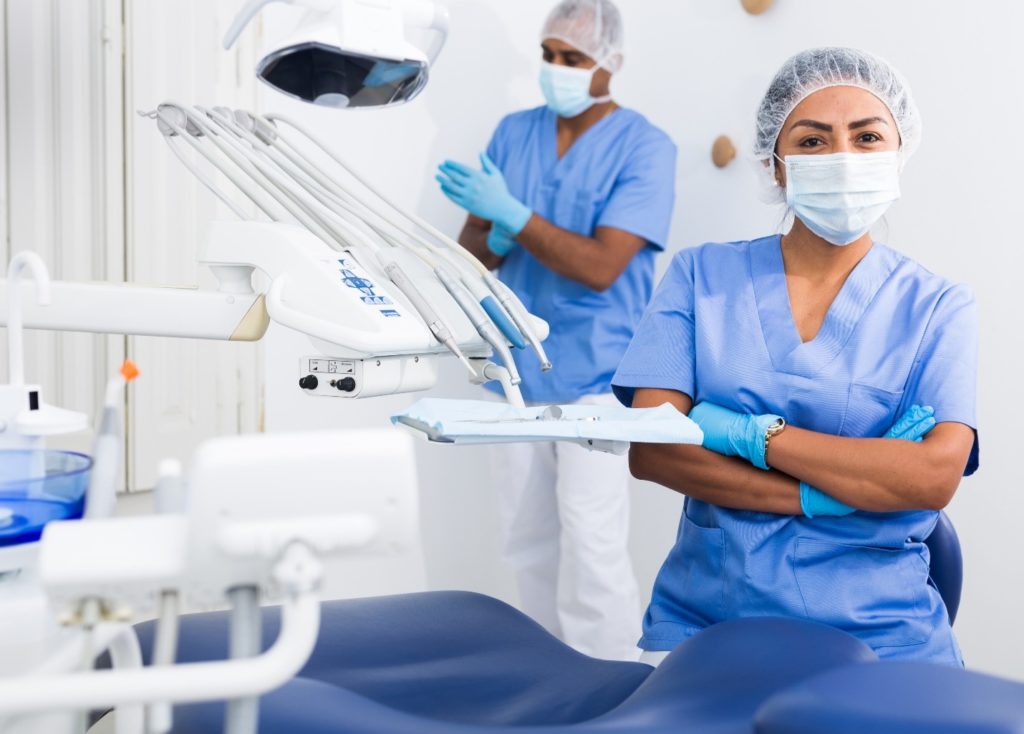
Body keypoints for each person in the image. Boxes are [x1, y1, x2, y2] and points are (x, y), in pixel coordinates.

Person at [612, 47, 978, 666]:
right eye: (812, 141)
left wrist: (750, 436)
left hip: (886, 638)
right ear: (775, 166)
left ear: (898, 155)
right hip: (710, 626)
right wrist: (830, 491)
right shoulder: (701, 277)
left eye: (867, 137)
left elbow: (932, 477)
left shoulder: (938, 305)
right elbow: (654, 449)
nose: (842, 157)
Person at [434, 0, 677, 660]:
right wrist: (493, 228)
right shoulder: (513, 132)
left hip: (599, 376)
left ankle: (615, 694)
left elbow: (602, 266)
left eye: (574, 59)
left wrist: (518, 217)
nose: (557, 69)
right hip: (516, 370)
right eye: (549, 55)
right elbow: (473, 254)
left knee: (593, 540)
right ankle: (543, 681)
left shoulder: (646, 148)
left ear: (610, 65)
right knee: (526, 539)